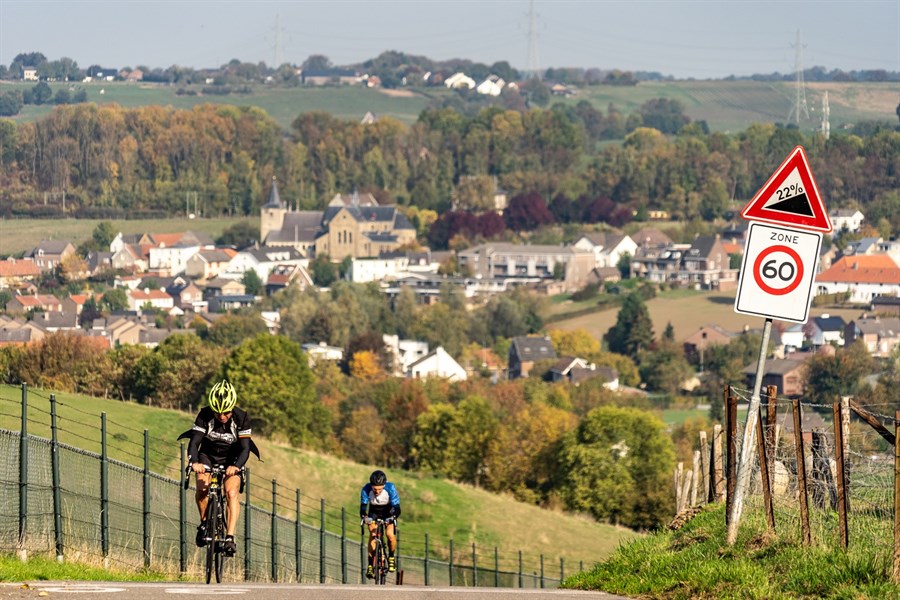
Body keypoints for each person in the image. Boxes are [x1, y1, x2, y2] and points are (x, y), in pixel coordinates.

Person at [178, 380, 259, 556]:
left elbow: (245, 448)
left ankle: (230, 537)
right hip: (207, 455)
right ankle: (205, 523)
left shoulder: (242, 417)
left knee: (231, 492)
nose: (222, 416)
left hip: (233, 458)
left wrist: (236, 467)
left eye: (226, 412)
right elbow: (194, 443)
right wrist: (194, 462)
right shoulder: (204, 415)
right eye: (218, 412)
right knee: (201, 488)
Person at [359, 469, 401, 579]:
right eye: (375, 489)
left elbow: (397, 508)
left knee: (390, 535)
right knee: (373, 535)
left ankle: (391, 557)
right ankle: (370, 564)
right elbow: (363, 508)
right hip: (374, 512)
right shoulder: (366, 489)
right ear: (371, 486)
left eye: (380, 489)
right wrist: (364, 517)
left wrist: (392, 518)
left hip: (388, 512)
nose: (377, 491)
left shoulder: (390, 488)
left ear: (384, 485)